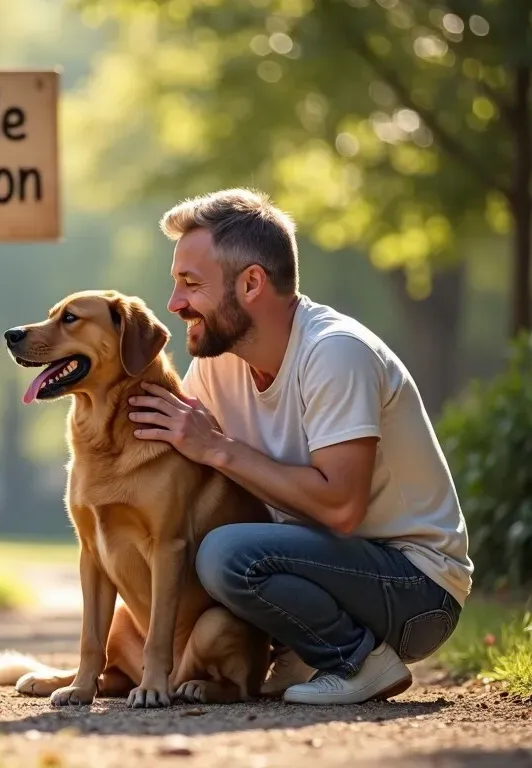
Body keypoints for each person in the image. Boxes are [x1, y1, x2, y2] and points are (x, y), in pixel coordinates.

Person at [128, 188, 473, 705]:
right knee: (199, 539)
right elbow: (182, 465)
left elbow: (341, 507)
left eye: (191, 284)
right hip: (328, 571)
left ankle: (356, 660)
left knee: (226, 553)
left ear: (251, 284)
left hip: (416, 590)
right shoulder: (218, 363)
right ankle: (302, 651)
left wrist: (219, 448)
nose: (174, 303)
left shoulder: (335, 353)